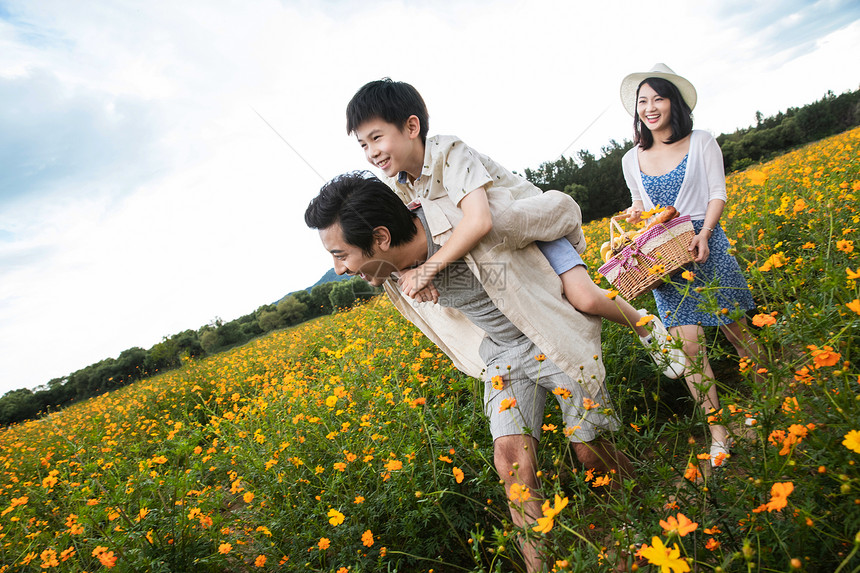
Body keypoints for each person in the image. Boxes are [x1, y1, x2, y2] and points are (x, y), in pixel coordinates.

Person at [305, 172, 635, 571]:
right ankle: (539, 567)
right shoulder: (386, 268)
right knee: (511, 462)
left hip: (548, 331)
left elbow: (555, 211)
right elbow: (411, 284)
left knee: (590, 449)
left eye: (341, 254)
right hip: (502, 352)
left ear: (380, 238)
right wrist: (417, 274)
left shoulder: (460, 218)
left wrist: (573, 268)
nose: (338, 269)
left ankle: (631, 528)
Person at [344, 78, 686, 379]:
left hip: (531, 229)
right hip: (499, 251)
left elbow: (479, 221)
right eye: (363, 145)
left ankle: (644, 327)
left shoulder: (449, 152)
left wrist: (429, 269)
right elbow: (417, 237)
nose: (372, 152)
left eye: (377, 138)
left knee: (583, 297)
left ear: (412, 127)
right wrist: (419, 273)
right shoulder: (400, 186)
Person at [620, 63, 763, 466]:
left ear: (673, 103)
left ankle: (773, 398)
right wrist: (634, 216)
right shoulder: (632, 158)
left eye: (658, 98)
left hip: (707, 245)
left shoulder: (701, 141)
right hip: (667, 257)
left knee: (737, 334)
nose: (650, 107)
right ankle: (719, 433)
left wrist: (705, 233)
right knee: (690, 348)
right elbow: (639, 205)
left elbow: (717, 193)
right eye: (642, 101)